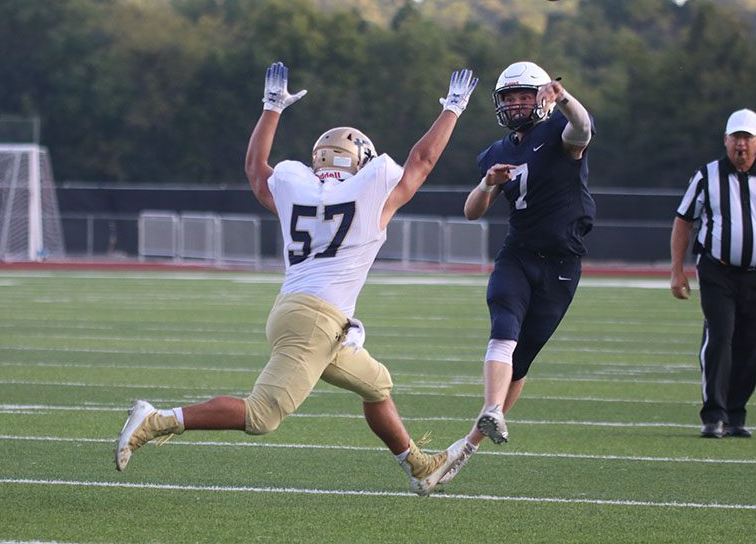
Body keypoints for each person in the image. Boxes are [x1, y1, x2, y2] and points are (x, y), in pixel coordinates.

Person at [114, 61, 479, 496]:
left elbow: (255, 167)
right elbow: (423, 159)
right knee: (261, 416)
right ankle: (155, 420)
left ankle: (418, 465)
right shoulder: (372, 192)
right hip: (315, 322)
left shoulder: (297, 187)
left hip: (304, 314)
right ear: (360, 161)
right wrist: (453, 108)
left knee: (376, 384)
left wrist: (272, 108)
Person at [438, 60, 596, 484]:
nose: (516, 104)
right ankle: (491, 409)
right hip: (518, 254)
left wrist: (563, 98)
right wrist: (488, 183)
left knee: (521, 359)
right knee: (503, 325)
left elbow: (582, 129)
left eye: (524, 95)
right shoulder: (497, 152)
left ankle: (468, 445)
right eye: (509, 98)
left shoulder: (558, 131)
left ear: (541, 96)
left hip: (563, 263)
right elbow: (472, 212)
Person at [669, 108, 756, 438]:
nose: (741, 145)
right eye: (736, 138)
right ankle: (714, 414)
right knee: (719, 338)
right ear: (726, 140)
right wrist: (677, 271)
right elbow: (683, 222)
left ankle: (735, 413)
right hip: (717, 271)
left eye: (747, 138)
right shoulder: (707, 176)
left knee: (751, 345)